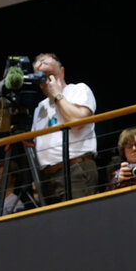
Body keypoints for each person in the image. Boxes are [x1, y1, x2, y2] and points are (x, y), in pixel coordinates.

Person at [30, 53, 98, 202]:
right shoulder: (40, 107)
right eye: (42, 77)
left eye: (51, 75)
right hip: (48, 179)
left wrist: (57, 96)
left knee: (81, 220)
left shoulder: (78, 90)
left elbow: (77, 121)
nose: (48, 81)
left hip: (75, 170)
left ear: (62, 71)